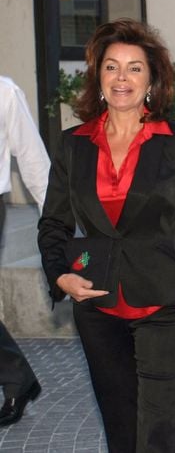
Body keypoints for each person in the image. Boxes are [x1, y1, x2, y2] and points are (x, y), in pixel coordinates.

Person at [37, 19, 175, 453]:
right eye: (111, 67)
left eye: (134, 68)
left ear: (152, 79)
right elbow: (54, 223)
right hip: (97, 304)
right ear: (97, 76)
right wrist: (59, 276)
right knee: (121, 429)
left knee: (158, 432)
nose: (122, 78)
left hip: (164, 304)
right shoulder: (72, 144)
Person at [0, 76, 49, 426]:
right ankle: (18, 376)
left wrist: (55, 220)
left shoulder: (4, 92)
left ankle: (17, 377)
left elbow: (32, 158)